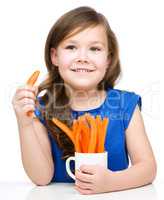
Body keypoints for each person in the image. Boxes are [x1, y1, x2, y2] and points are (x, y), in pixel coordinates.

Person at [12, 6, 157, 195]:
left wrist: (112, 182)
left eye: (95, 49)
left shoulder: (125, 104)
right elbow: (41, 178)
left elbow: (147, 168)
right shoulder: (42, 109)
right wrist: (25, 124)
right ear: (55, 56)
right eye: (71, 47)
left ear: (108, 59)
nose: (82, 58)